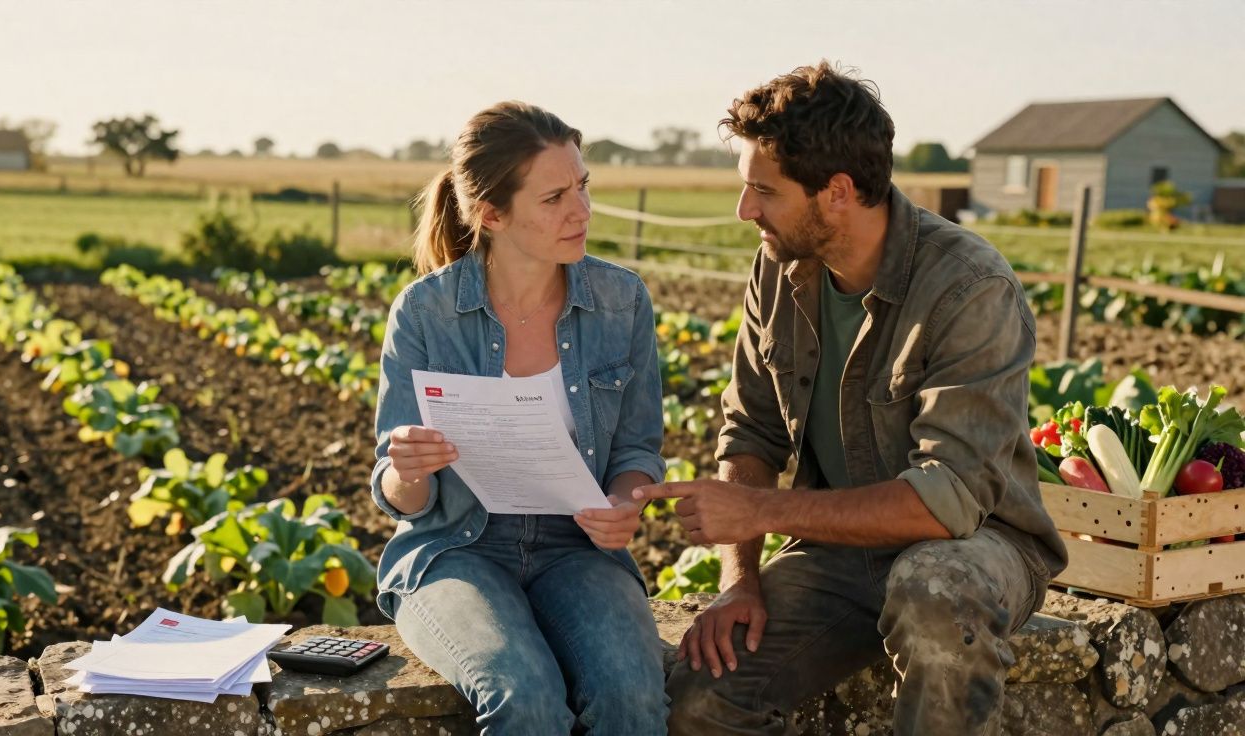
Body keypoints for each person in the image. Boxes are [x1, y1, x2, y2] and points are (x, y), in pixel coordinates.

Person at [633, 61, 1069, 735]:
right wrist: (740, 580)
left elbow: (944, 502)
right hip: (838, 555)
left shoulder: (969, 288)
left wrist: (755, 511)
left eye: (763, 191)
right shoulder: (777, 266)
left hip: (979, 548)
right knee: (697, 694)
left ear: (837, 191)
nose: (745, 211)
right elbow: (749, 432)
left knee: (934, 593)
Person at [369, 101, 669, 735]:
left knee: (633, 696)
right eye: (554, 196)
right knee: (523, 695)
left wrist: (624, 503)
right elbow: (399, 495)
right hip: (455, 548)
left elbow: (638, 449)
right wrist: (408, 467)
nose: (581, 210)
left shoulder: (622, 301)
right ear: (491, 214)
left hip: (578, 549)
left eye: (582, 186)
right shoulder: (425, 312)